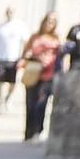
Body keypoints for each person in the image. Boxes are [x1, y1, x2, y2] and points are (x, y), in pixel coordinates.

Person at [21, 11, 64, 143]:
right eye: (48, 21)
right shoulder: (35, 37)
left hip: (48, 75)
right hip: (34, 72)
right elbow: (25, 53)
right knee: (30, 104)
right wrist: (31, 56)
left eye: (52, 22)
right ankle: (28, 133)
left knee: (42, 104)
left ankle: (38, 132)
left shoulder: (56, 39)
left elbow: (61, 57)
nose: (49, 24)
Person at [0, 4, 27, 115]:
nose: (10, 13)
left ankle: (8, 98)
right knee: (0, 83)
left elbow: (24, 43)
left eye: (12, 11)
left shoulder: (20, 26)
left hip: (14, 59)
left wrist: (23, 58)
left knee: (13, 83)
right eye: (8, 11)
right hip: (1, 58)